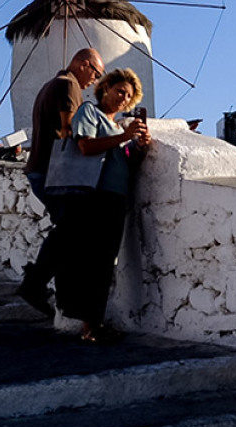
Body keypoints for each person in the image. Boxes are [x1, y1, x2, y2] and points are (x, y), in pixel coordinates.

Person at [53, 69, 151, 344]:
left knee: (105, 261)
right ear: (105, 88)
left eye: (128, 96)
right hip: (96, 195)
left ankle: (93, 323)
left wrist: (139, 144)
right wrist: (123, 137)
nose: (123, 98)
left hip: (116, 196)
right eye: (120, 91)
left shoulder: (118, 126)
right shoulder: (90, 112)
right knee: (94, 260)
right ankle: (90, 326)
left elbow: (125, 159)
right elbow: (85, 146)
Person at [19, 48, 105, 315]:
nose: (95, 80)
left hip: (41, 169)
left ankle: (56, 295)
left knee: (69, 230)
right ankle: (37, 285)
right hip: (53, 172)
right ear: (82, 63)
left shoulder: (50, 85)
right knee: (71, 229)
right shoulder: (69, 86)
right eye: (96, 72)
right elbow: (71, 130)